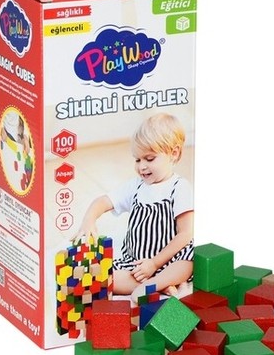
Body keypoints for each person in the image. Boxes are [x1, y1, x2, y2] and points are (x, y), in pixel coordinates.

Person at [73, 113, 194, 302]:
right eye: (137, 160)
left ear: (174, 153)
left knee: (189, 261)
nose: (141, 166)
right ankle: (160, 285)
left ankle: (154, 284)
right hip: (137, 265)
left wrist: (154, 263)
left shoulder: (179, 187)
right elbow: (103, 201)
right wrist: (89, 220)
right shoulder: (136, 187)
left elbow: (185, 234)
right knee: (103, 276)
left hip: (171, 259)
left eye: (149, 158)